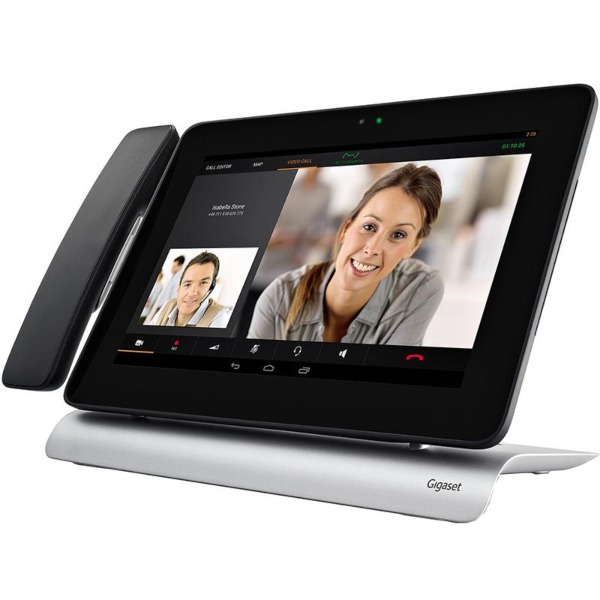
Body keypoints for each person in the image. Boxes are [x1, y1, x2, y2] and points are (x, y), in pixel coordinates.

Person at [248, 163, 443, 345]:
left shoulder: (420, 287)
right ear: (345, 229)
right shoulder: (279, 296)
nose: (372, 249)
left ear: (412, 247)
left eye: (398, 235)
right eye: (369, 226)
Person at [150, 252, 229, 328]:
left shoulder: (218, 315)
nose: (192, 293)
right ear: (179, 288)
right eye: (187, 284)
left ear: (211, 288)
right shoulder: (168, 305)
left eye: (203, 283)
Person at [144, 255, 186, 323]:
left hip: (165, 308)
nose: (172, 268)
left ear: (180, 266)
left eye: (174, 266)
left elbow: (174, 297)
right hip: (161, 306)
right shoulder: (173, 276)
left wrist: (167, 310)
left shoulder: (179, 279)